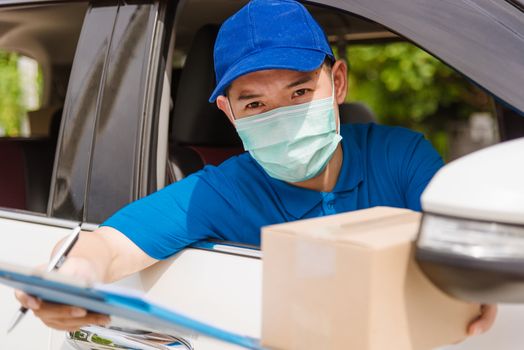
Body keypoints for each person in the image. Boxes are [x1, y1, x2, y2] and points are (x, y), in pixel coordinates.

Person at [16, 0, 496, 336]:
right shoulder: (219, 193)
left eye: (300, 92)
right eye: (255, 104)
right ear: (228, 112)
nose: (281, 115)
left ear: (339, 82)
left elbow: (459, 245)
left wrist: (477, 286)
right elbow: (105, 247)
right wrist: (67, 277)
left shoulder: (402, 157)